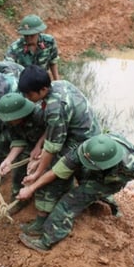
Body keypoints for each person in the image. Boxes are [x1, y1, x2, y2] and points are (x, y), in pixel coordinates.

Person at [16, 134, 134, 252]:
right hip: (97, 169)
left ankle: (46, 241)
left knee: (70, 202)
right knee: (81, 177)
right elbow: (57, 171)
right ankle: (107, 201)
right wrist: (31, 188)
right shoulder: (85, 149)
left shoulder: (133, 166)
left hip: (114, 179)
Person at [17, 65, 100, 234]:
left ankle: (42, 220)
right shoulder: (60, 84)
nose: (27, 97)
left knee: (52, 171)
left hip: (83, 141)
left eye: (29, 94)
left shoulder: (55, 107)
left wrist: (37, 173)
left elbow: (53, 147)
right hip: (84, 132)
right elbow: (54, 126)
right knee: (50, 165)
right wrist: (38, 147)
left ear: (43, 89)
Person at [0, 92, 47, 215]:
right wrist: (8, 160)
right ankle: (19, 197)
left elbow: (53, 132)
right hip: (31, 143)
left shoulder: (40, 114)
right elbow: (19, 140)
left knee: (47, 171)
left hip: (51, 144)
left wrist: (40, 147)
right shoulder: (9, 120)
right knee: (19, 166)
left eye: (12, 119)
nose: (10, 121)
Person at [5, 14, 60, 80]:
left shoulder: (49, 42)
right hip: (24, 84)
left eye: (32, 35)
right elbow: (7, 68)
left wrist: (57, 81)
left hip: (42, 82)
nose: (29, 38)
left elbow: (53, 62)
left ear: (38, 32)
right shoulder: (15, 48)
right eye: (26, 35)